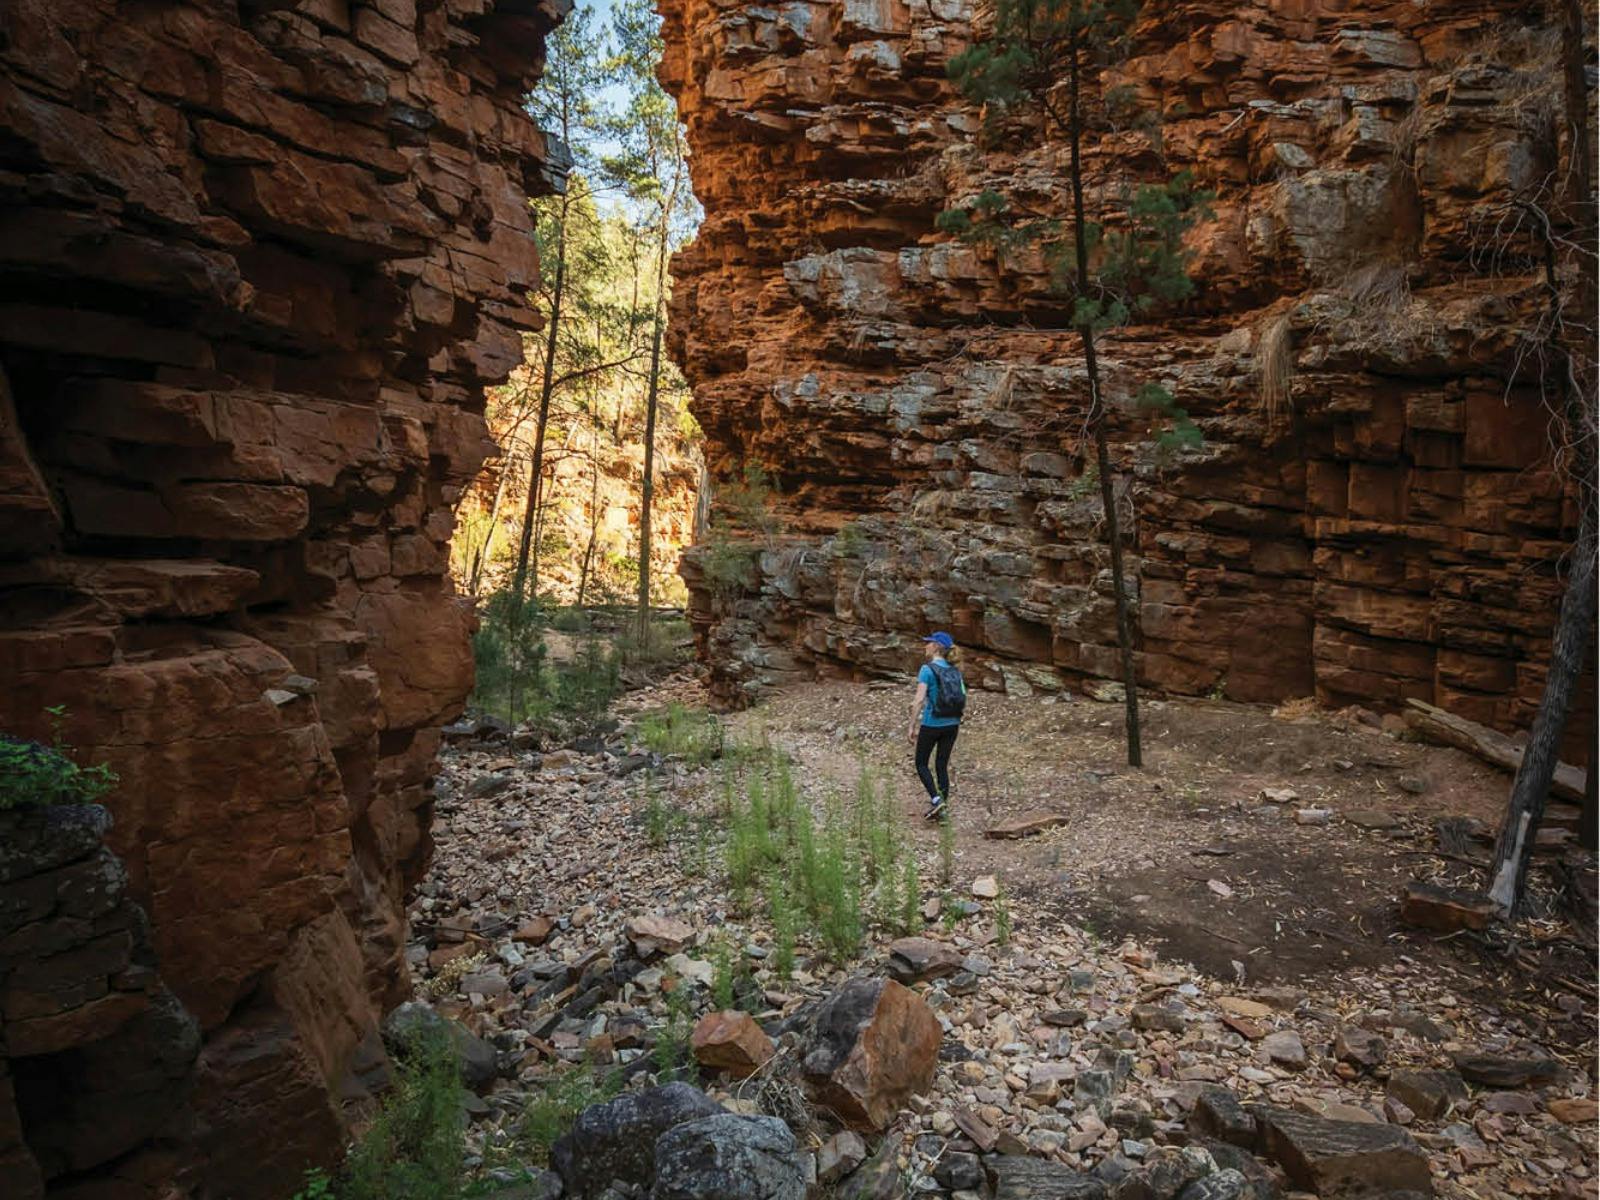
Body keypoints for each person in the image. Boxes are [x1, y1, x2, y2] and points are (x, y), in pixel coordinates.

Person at [908, 631, 965, 821]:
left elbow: (918, 701)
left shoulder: (927, 669)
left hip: (932, 723)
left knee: (921, 763)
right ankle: (944, 807)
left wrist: (911, 726)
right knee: (941, 765)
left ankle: (936, 799)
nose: (925, 645)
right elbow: (962, 695)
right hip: (953, 723)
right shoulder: (955, 670)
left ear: (936, 646)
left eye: (928, 642)